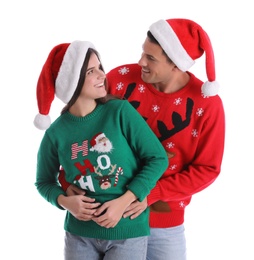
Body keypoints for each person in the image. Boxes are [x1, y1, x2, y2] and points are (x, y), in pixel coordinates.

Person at [60, 18, 225, 260]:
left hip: (162, 225)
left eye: (151, 58)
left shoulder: (207, 105)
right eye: (143, 53)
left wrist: (152, 192)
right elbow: (79, 126)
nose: (141, 62)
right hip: (103, 218)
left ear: (176, 64)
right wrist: (67, 182)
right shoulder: (120, 79)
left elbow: (207, 169)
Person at [34, 40, 168, 260]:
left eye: (100, 68)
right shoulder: (55, 133)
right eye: (90, 71)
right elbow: (43, 182)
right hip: (79, 236)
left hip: (128, 232)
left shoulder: (119, 112)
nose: (102, 75)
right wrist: (65, 202)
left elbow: (157, 158)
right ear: (71, 81)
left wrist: (125, 200)